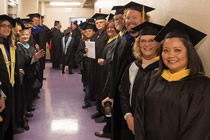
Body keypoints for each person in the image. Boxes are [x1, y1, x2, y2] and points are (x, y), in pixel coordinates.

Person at [134, 18, 209, 140]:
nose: (170, 55)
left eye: (177, 50)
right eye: (165, 50)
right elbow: (139, 116)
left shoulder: (202, 86)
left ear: (189, 52)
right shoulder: (150, 78)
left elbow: (198, 128)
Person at [101, 2, 155, 140]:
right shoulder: (123, 40)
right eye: (128, 17)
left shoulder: (149, 42)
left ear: (144, 19)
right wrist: (111, 94)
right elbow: (115, 71)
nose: (130, 21)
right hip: (122, 95)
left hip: (139, 100)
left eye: (135, 17)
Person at [119, 22, 163, 139]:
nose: (147, 44)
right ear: (138, 44)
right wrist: (128, 116)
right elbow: (123, 91)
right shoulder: (133, 66)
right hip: (131, 121)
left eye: (152, 40)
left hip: (154, 126)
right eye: (143, 41)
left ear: (159, 44)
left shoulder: (164, 69)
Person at [95, 18, 119, 138]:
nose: (110, 29)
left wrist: (105, 61)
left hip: (111, 75)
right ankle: (107, 124)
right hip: (106, 73)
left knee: (109, 102)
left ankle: (109, 129)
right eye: (108, 28)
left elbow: (114, 59)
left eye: (112, 27)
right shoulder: (110, 40)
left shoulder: (117, 42)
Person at [89, 13, 109, 120]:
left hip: (103, 66)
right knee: (96, 87)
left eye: (101, 22)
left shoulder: (107, 35)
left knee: (102, 89)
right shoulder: (95, 35)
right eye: (97, 23)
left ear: (105, 23)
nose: (99, 24)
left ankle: (104, 113)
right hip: (94, 65)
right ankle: (98, 110)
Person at [0, 14, 16, 140]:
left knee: (8, 117)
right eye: (3, 26)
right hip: (1, 89)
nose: (7, 29)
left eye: (9, 26)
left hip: (9, 86)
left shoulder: (9, 45)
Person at [75, 23, 96, 109]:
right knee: (87, 84)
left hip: (95, 66)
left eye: (89, 31)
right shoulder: (83, 42)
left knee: (94, 83)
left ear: (94, 32)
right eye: (86, 31)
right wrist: (84, 54)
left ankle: (94, 99)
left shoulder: (97, 41)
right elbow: (77, 54)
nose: (87, 33)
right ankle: (87, 101)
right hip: (86, 66)